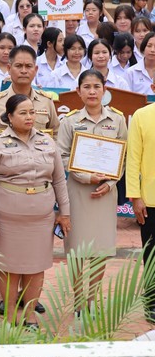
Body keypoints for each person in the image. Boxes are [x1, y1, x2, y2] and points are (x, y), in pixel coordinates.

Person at [0, 94, 70, 328]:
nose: (30, 117)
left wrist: (65, 213)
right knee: (8, 267)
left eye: (32, 112)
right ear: (9, 117)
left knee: (35, 266)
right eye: (23, 112)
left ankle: (30, 316)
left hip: (41, 218)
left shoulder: (48, 142)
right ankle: (9, 316)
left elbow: (59, 180)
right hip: (6, 219)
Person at [56, 69, 127, 316]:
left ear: (104, 89)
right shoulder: (69, 121)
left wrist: (110, 182)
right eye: (86, 87)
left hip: (105, 192)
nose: (92, 91)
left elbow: (123, 156)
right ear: (78, 91)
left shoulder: (117, 120)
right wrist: (86, 176)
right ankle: (78, 300)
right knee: (76, 248)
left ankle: (92, 299)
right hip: (77, 191)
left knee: (100, 248)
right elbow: (61, 156)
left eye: (97, 86)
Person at [0, 45, 60, 153]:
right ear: (9, 69)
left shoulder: (46, 101)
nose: (24, 71)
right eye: (19, 66)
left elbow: (57, 133)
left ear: (35, 69)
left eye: (28, 66)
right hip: (7, 166)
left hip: (40, 166)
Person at [126, 76, 155, 321]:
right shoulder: (141, 116)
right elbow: (132, 159)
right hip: (150, 200)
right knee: (152, 253)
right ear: (153, 88)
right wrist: (135, 197)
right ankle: (152, 301)